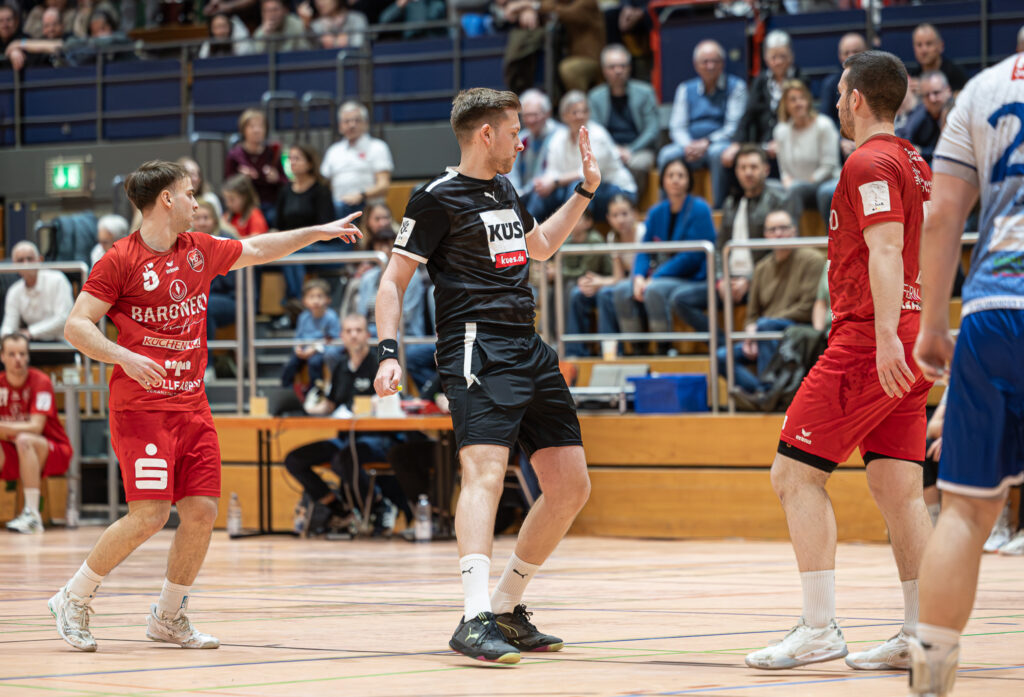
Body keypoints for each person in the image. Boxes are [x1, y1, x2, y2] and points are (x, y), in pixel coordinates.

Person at [49, 159, 361, 653]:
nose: (197, 203)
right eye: (189, 193)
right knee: (150, 515)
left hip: (192, 405)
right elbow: (76, 325)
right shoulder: (119, 259)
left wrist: (317, 232)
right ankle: (73, 596)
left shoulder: (199, 249)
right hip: (143, 408)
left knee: (201, 511)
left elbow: (259, 248)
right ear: (166, 200)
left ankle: (168, 616)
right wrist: (124, 356)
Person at [374, 87, 596, 664]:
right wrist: (389, 352)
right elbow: (393, 281)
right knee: (485, 474)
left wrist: (584, 191)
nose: (522, 142)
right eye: (515, 132)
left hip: (528, 345)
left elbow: (540, 247)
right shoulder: (434, 199)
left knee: (570, 486)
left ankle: (504, 606)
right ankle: (473, 618)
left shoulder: (504, 189)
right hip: (477, 347)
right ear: (486, 134)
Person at [745, 50, 934, 672]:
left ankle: (819, 628)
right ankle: (922, 634)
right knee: (898, 489)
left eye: (839, 94)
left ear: (855, 98)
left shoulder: (867, 161)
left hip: (870, 340)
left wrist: (884, 338)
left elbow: (886, 249)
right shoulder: (915, 161)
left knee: (793, 474)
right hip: (907, 332)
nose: (835, 104)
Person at [908, 52, 1024, 697]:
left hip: (991, 309)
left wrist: (932, 325)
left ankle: (929, 684)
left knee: (965, 514)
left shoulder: (982, 88)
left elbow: (943, 214)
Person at [284, 312, 399, 537]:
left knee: (344, 458)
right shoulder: (339, 367)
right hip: (344, 438)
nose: (353, 335)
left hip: (376, 438)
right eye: (348, 331)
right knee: (295, 459)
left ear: (367, 335)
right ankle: (338, 507)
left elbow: (394, 398)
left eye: (358, 330)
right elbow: (330, 404)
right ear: (342, 336)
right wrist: (307, 410)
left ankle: (380, 504)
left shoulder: (379, 365)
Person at [676, 144, 791, 335]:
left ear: (766, 169)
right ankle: (722, 345)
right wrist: (721, 279)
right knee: (681, 300)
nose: (748, 173)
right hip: (728, 281)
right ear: (736, 171)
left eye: (753, 167)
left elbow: (781, 247)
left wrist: (750, 279)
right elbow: (720, 247)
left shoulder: (778, 200)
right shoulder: (731, 202)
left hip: (762, 281)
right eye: (742, 168)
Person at [609, 157, 715, 344]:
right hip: (659, 276)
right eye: (670, 175)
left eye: (680, 175)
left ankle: (663, 347)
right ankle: (636, 347)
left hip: (691, 277)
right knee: (621, 290)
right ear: (663, 180)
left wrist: (654, 278)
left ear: (689, 180)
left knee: (654, 290)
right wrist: (638, 277)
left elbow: (691, 257)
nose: (675, 180)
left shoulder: (700, 209)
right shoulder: (656, 212)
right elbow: (644, 249)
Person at [721, 208, 823, 394]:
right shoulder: (761, 268)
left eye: (783, 228)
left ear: (794, 231)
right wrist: (751, 332)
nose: (778, 234)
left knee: (766, 326)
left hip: (798, 331)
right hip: (765, 332)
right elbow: (752, 313)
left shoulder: (813, 260)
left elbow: (808, 308)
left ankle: (767, 392)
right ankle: (765, 393)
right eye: (773, 230)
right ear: (765, 235)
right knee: (722, 357)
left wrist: (762, 326)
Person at [659, 40, 747, 209]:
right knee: (666, 154)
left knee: (717, 153)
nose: (710, 66)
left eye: (715, 61)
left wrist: (707, 142)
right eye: (705, 62)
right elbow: (677, 126)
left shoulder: (736, 87)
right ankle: (666, 208)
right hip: (690, 145)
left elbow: (733, 126)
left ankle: (718, 208)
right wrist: (688, 145)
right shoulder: (685, 88)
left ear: (722, 64)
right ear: (696, 65)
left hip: (719, 142)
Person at [526, 90, 636, 223]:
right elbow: (552, 171)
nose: (580, 116)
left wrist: (555, 181)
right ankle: (528, 230)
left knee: (578, 187)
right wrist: (544, 183)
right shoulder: (558, 137)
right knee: (541, 193)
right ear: (564, 116)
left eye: (584, 111)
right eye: (575, 112)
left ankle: (576, 233)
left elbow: (587, 174)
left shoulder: (598, 135)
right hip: (577, 188)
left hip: (616, 190)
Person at [0, 334, 73, 534]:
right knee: (21, 441)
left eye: (22, 354)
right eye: (12, 354)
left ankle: (32, 515)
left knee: (25, 439)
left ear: (28, 356)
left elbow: (36, 427)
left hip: (53, 449)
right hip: (14, 452)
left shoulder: (41, 381)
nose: (18, 359)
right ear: (2, 356)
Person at [587, 44, 659, 201]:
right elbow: (594, 130)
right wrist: (614, 150)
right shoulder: (595, 97)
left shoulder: (645, 92)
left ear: (629, 68)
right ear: (604, 70)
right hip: (607, 149)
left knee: (638, 164)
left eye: (622, 66)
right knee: (592, 166)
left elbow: (652, 129)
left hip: (638, 149)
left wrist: (630, 149)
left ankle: (629, 204)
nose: (618, 71)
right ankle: (604, 208)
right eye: (612, 67)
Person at [721, 29, 800, 172]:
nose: (778, 62)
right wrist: (736, 143)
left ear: (791, 57)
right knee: (731, 157)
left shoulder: (799, 79)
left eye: (783, 56)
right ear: (766, 58)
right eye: (774, 57)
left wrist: (781, 141)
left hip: (792, 140)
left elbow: (800, 117)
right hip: (762, 142)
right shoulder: (760, 81)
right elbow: (748, 115)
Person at [273, 143, 335, 316]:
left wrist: (300, 239)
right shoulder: (285, 191)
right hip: (291, 244)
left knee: (293, 252)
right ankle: (294, 303)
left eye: (297, 158)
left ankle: (295, 301)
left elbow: (325, 227)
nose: (292, 162)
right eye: (290, 159)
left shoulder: (321, 191)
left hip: (318, 244)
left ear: (309, 163)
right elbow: (278, 224)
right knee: (285, 252)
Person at [773, 79, 841, 221]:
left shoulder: (824, 125)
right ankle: (787, 233)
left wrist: (808, 181)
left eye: (802, 98)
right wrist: (786, 181)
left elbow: (829, 166)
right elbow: (784, 169)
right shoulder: (781, 131)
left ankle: (830, 235)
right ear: (785, 105)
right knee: (772, 188)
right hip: (797, 186)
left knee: (823, 192)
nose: (798, 103)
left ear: (808, 101)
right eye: (793, 100)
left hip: (827, 181)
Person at [320, 101, 394, 219]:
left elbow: (383, 185)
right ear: (340, 126)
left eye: (357, 120)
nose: (352, 125)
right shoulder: (333, 151)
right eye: (347, 121)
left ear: (366, 124)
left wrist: (361, 195)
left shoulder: (377, 147)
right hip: (338, 206)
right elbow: (324, 182)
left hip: (367, 207)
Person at [560, 208, 615, 357]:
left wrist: (557, 273)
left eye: (577, 218)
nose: (572, 222)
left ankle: (605, 351)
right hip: (586, 283)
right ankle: (566, 346)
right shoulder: (567, 240)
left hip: (604, 280)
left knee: (572, 290)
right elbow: (568, 269)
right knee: (556, 290)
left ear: (588, 222)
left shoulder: (595, 240)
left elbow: (586, 271)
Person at [1, 241, 74, 343]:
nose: (25, 264)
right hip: (32, 344)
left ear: (40, 260)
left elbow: (64, 319)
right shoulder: (14, 290)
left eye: (29, 259)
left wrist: (30, 332)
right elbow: (8, 325)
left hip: (63, 342)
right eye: (20, 260)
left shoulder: (58, 280)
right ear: (14, 265)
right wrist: (6, 338)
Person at [224, 108, 285, 225]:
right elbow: (228, 183)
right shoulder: (235, 155)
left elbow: (286, 181)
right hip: (245, 205)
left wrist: (276, 178)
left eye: (261, 126)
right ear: (243, 130)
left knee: (274, 217)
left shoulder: (273, 152)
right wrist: (241, 179)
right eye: (252, 126)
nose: (256, 130)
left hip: (269, 203)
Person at [280, 279, 340, 391]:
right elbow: (298, 337)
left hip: (320, 351)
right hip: (304, 349)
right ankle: (286, 387)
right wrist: (297, 348)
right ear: (304, 300)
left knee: (314, 362)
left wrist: (314, 349)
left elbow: (333, 339)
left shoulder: (331, 317)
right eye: (311, 297)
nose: (316, 301)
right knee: (291, 363)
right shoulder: (303, 317)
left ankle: (315, 390)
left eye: (320, 296)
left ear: (328, 299)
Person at [508, 89, 563, 198]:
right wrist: (515, 191)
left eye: (534, 115)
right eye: (526, 115)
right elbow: (512, 170)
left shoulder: (560, 135)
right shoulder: (522, 137)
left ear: (547, 113)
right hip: (523, 193)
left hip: (550, 192)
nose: (531, 120)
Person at [896, 71, 951, 166]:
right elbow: (907, 138)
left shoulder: (955, 114)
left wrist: (921, 151)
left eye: (936, 93)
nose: (932, 99)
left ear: (948, 90)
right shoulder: (922, 114)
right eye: (927, 95)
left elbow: (947, 152)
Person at [907, 23, 967, 95]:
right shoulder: (913, 76)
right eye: (919, 45)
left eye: (929, 44)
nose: (924, 50)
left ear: (941, 46)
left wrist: (925, 90)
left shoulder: (956, 75)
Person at [298, 0, 368, 49]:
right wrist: (306, 25)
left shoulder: (356, 19)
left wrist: (335, 43)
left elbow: (358, 47)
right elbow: (309, 50)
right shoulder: (316, 25)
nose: (320, 3)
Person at [221, 174, 268, 238]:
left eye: (232, 199)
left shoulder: (254, 215)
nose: (228, 204)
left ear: (244, 197)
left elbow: (257, 239)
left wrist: (234, 234)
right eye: (226, 200)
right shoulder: (229, 215)